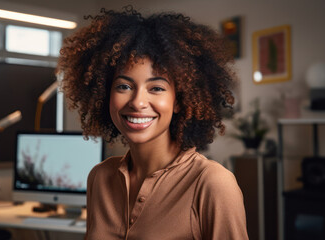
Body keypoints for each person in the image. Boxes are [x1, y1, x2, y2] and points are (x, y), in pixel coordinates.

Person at [57, 6, 248, 240]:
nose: (138, 102)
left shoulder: (212, 184)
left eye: (156, 88)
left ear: (179, 100)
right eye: (124, 86)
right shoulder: (100, 177)